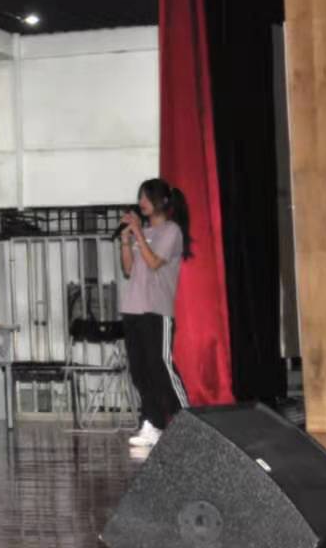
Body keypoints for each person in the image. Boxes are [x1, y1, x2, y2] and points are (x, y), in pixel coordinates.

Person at [120, 177, 192, 448]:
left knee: (161, 366)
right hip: (132, 308)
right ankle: (152, 422)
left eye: (146, 197)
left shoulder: (171, 231)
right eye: (140, 197)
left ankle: (188, 420)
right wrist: (125, 241)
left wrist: (139, 233)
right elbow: (128, 269)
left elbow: (153, 263)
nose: (141, 202)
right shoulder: (145, 231)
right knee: (139, 370)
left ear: (161, 201)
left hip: (156, 309)